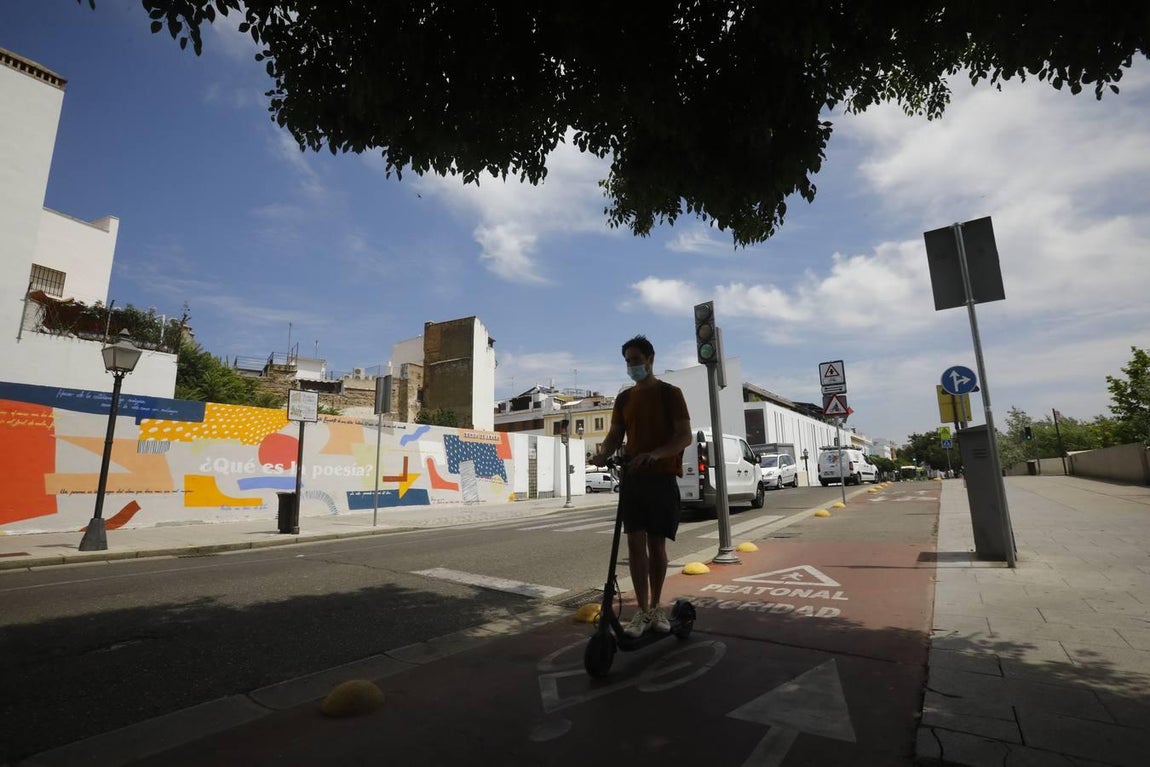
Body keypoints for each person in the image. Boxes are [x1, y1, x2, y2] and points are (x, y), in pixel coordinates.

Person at [590, 335, 692, 637]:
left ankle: (658, 607)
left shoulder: (670, 393)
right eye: (627, 361)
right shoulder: (624, 398)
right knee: (634, 542)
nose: (631, 366)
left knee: (655, 544)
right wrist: (602, 454)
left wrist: (655, 454)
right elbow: (614, 435)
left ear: (650, 359)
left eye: (635, 359)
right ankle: (643, 612)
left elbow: (684, 436)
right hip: (633, 478)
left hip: (661, 476)